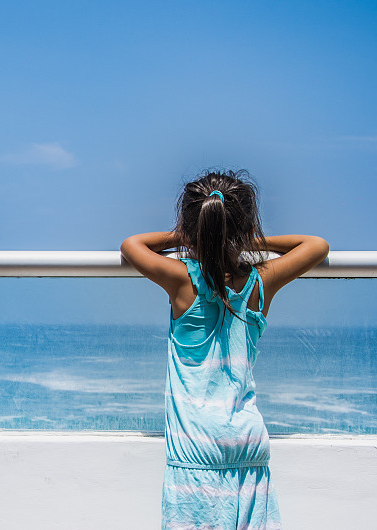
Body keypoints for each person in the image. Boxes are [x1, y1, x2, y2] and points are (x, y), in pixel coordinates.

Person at [120, 170, 329, 529]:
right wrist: (251, 238)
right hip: (248, 445)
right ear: (247, 229)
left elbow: (131, 245)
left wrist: (183, 237)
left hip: (196, 451)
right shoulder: (260, 281)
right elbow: (317, 245)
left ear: (193, 225)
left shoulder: (182, 280)